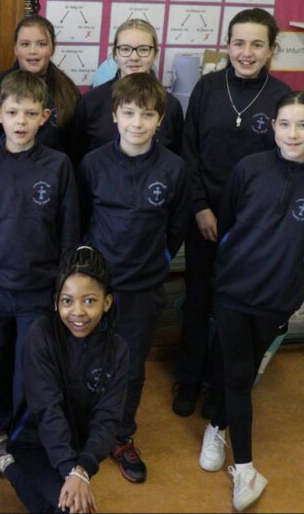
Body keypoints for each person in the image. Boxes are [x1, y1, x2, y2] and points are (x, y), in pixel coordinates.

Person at [199, 91, 304, 512]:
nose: (292, 133)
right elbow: (228, 223)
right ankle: (244, 468)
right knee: (240, 374)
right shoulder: (249, 169)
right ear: (273, 127)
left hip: (276, 296)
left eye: (302, 124)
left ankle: (216, 422)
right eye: (284, 124)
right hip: (231, 288)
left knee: (238, 370)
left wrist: (290, 272)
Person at [175, 8, 291, 419]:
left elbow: (283, 166)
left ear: (271, 50)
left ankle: (218, 385)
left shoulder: (282, 98)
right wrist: (201, 207)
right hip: (203, 216)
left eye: (257, 44)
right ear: (227, 45)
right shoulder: (207, 89)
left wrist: (250, 222)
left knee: (234, 309)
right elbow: (189, 152)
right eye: (239, 43)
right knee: (198, 299)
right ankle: (187, 380)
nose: (247, 52)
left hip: (251, 227)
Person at [76, 73, 190, 483]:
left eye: (147, 114)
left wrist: (157, 258)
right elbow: (83, 219)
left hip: (143, 286)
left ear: (160, 119)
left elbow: (177, 226)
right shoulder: (92, 163)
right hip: (95, 285)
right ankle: (84, 430)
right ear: (115, 115)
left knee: (130, 365)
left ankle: (121, 435)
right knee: (84, 358)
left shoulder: (175, 169)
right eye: (129, 113)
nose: (137, 123)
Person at [0, 70, 80, 462]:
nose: (20, 122)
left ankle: (23, 437)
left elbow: (69, 231)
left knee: (30, 368)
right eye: (13, 112)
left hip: (40, 287)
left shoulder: (59, 165)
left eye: (30, 114)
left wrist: (64, 289)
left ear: (44, 117)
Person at [0, 246, 129, 514]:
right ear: (56, 303)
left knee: (65, 507)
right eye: (67, 301)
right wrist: (71, 471)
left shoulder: (118, 349)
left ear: (107, 302)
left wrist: (83, 468)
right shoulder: (41, 334)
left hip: (76, 446)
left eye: (89, 301)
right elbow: (47, 409)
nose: (77, 312)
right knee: (69, 510)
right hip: (33, 441)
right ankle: (7, 459)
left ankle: (1, 461)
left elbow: (108, 417)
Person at [72, 18, 185, 165]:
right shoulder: (90, 102)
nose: (134, 57)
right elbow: (76, 156)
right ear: (115, 54)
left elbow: (177, 159)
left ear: (155, 53)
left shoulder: (171, 105)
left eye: (143, 49)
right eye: (125, 49)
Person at [0, 15, 80, 158]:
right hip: (3, 172)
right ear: (15, 49)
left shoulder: (68, 90)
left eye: (41, 44)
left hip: (52, 173)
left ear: (52, 48)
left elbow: (75, 146)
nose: (33, 51)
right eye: (25, 44)